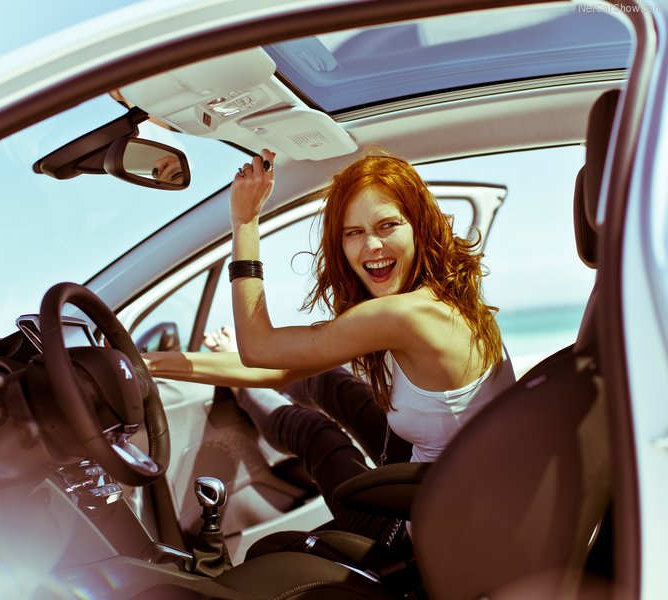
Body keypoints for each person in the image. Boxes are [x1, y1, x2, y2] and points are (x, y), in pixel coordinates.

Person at [144, 149, 516, 545]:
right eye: (353, 233)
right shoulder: (442, 298)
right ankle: (238, 388)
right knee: (329, 381)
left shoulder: (404, 315)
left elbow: (258, 350)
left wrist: (245, 221)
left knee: (313, 432)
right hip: (457, 490)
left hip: (432, 533)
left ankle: (240, 392)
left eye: (387, 225)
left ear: (419, 226)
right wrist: (150, 364)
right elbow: (278, 365)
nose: (371, 245)